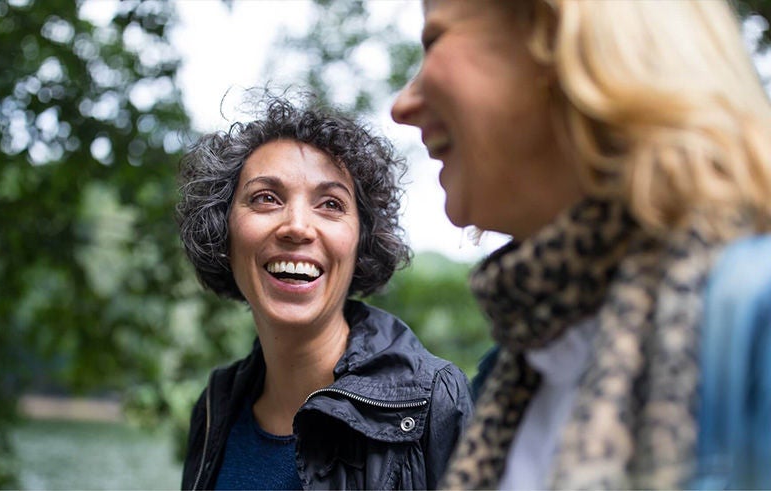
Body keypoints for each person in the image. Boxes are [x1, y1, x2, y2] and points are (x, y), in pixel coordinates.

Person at [389, 0, 771, 488]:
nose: (402, 105)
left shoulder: (757, 317)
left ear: (561, 37)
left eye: (434, 39)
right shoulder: (516, 373)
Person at [177, 97, 473, 490]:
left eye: (331, 204)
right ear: (223, 231)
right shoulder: (216, 406)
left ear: (361, 242)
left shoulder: (434, 401)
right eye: (266, 197)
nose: (297, 226)